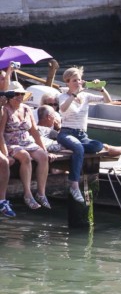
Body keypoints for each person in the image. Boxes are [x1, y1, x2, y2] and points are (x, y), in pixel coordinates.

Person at [57, 67, 114, 205]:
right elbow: (63, 109)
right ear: (67, 82)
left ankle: (70, 148)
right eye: (74, 80)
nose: (78, 83)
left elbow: (108, 100)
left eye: (79, 80)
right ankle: (74, 184)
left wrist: (101, 88)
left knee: (98, 145)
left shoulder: (86, 96)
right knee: (79, 149)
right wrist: (75, 95)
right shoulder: (63, 96)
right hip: (66, 132)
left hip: (82, 135)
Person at [1, 82, 49, 210]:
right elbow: (0, 133)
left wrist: (44, 149)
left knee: (43, 156)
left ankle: (41, 193)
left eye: (22, 94)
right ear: (10, 96)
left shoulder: (27, 109)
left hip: (27, 141)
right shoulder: (4, 110)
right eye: (16, 94)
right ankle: (27, 194)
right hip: (11, 143)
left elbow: (34, 131)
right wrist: (5, 153)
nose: (19, 96)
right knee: (25, 156)